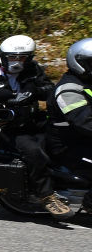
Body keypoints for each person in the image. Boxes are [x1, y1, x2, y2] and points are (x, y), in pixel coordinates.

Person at [0, 34, 69, 217]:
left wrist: (34, 91)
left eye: (22, 57)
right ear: (3, 56)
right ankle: (46, 197)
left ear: (29, 58)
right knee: (35, 152)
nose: (17, 61)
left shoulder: (34, 72)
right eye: (13, 57)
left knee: (66, 139)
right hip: (7, 130)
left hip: (34, 122)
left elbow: (50, 91)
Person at [46, 38, 92, 215]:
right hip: (68, 145)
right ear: (80, 63)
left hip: (83, 139)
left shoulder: (87, 81)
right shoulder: (68, 89)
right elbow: (84, 120)